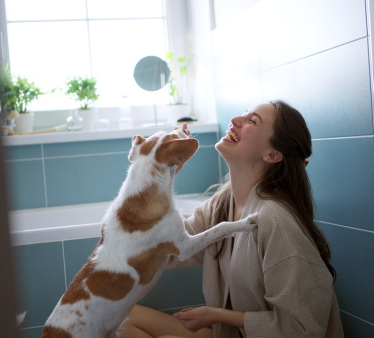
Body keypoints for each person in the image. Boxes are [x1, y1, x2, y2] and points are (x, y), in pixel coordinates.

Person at [122, 100, 344, 338]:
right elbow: (164, 250)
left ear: (271, 154)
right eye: (243, 114)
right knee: (122, 319)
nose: (235, 120)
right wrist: (162, 170)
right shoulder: (223, 203)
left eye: (251, 121)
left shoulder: (275, 220)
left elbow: (303, 330)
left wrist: (217, 315)